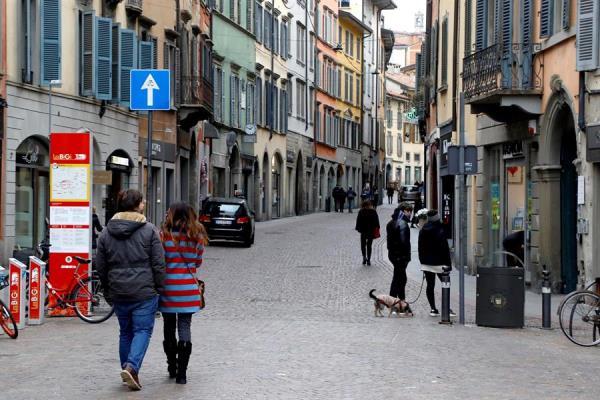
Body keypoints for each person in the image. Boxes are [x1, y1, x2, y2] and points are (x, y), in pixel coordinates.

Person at [96, 189, 166, 391]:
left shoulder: (106, 232)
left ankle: (128, 370)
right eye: (142, 201)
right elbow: (158, 263)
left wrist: (108, 289)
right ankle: (132, 367)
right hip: (144, 291)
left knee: (125, 332)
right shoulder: (149, 230)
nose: (144, 204)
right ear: (137, 205)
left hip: (118, 291)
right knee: (142, 330)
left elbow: (100, 265)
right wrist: (159, 287)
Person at [159, 203, 207, 384]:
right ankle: (182, 374)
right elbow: (198, 262)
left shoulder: (164, 236)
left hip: (168, 289)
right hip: (188, 290)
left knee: (168, 327)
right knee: (185, 327)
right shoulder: (197, 236)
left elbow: (159, 261)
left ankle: (172, 366)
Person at [418, 209, 455, 317]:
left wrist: (422, 262)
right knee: (446, 285)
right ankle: (447, 308)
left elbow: (420, 247)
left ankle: (433, 309)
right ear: (437, 218)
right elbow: (444, 248)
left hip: (427, 263)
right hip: (440, 263)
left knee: (430, 285)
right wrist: (448, 264)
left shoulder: (423, 230)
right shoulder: (440, 229)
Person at [386, 203, 413, 303]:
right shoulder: (403, 224)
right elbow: (404, 242)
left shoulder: (391, 222)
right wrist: (405, 257)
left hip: (393, 255)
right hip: (400, 256)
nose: (410, 213)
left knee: (400, 278)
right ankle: (396, 302)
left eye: (411, 211)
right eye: (408, 211)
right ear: (403, 211)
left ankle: (399, 301)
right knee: (399, 279)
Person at [355, 200, 380, 266]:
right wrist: (377, 228)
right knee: (369, 245)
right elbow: (376, 221)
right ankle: (368, 259)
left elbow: (358, 221)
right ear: (369, 205)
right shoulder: (373, 211)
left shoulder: (361, 211)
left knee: (363, 245)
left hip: (363, 231)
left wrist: (359, 229)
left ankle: (364, 258)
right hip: (371, 231)